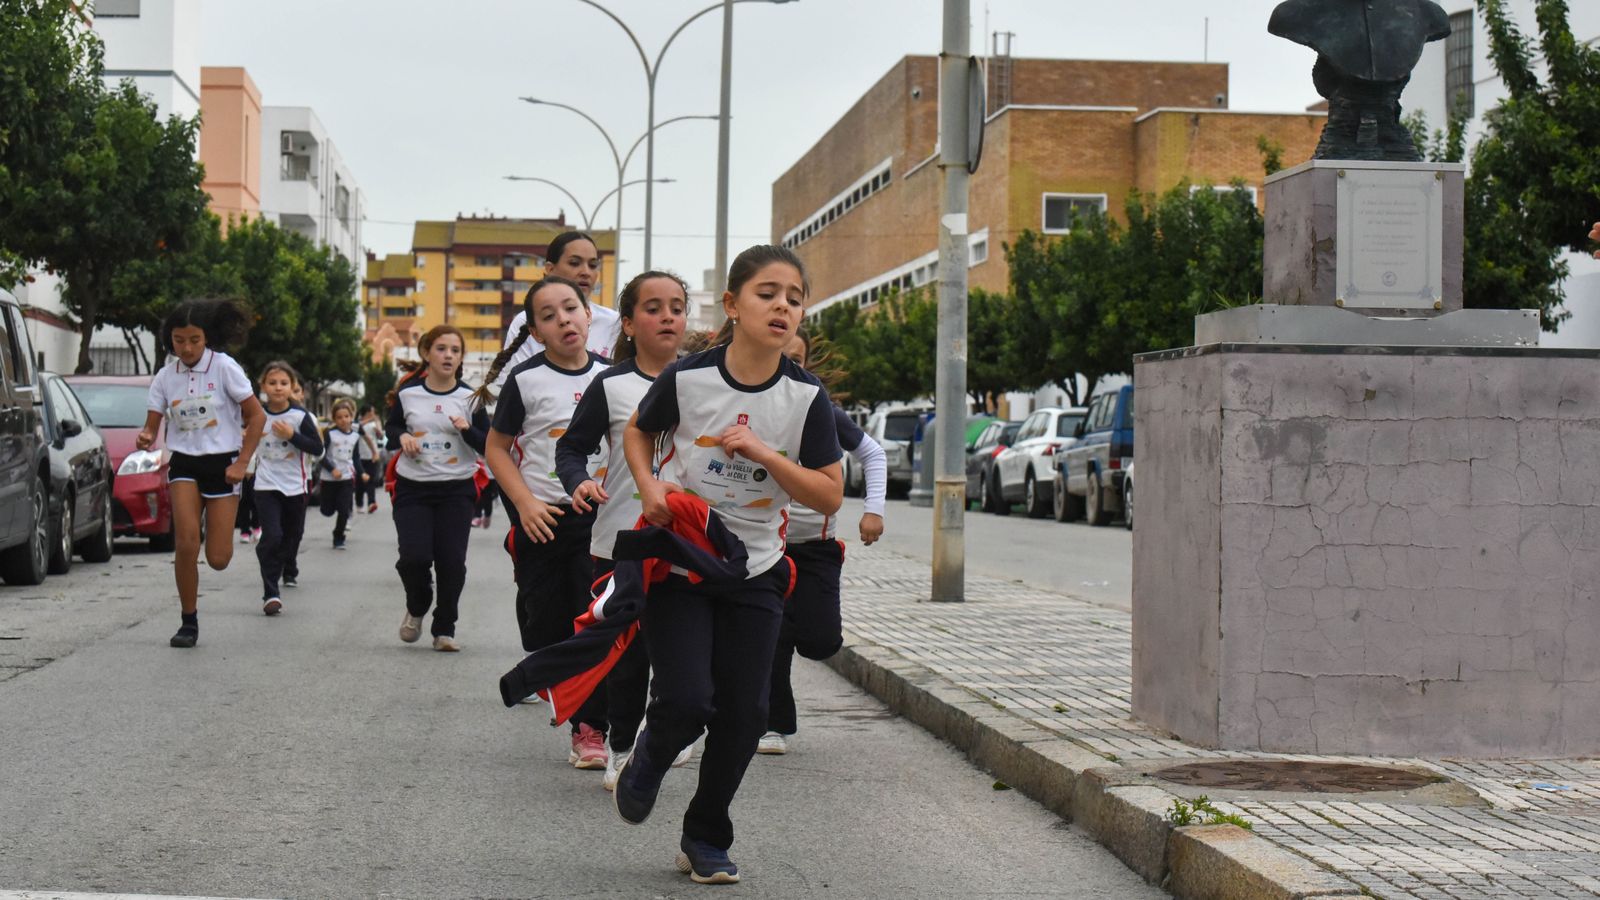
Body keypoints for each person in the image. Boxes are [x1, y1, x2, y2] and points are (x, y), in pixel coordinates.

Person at [614, 245, 842, 885]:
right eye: (768, 293)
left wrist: (768, 456)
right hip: (685, 561)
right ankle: (651, 755)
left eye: (795, 298)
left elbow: (827, 493)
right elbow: (638, 432)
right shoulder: (688, 378)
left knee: (745, 713)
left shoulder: (805, 398)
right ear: (734, 305)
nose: (783, 306)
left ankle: (705, 835)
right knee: (687, 698)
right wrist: (650, 488)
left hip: (757, 572)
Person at [555, 270, 693, 790]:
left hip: (687, 544)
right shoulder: (611, 384)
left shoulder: (706, 379)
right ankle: (621, 748)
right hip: (619, 541)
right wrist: (579, 484)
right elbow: (570, 448)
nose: (667, 317)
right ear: (629, 324)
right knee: (628, 655)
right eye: (653, 308)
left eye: (676, 307)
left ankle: (664, 733)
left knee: (679, 657)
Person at [480, 275, 612, 768]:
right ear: (536, 331)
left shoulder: (612, 377)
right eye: (550, 315)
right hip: (543, 519)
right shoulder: (527, 380)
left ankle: (590, 727)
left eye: (571, 309)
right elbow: (497, 448)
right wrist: (526, 504)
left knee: (591, 618)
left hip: (597, 519)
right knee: (543, 628)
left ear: (588, 315)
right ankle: (546, 671)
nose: (564, 320)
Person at [758, 331, 887, 756]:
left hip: (816, 547)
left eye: (798, 360)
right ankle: (771, 724)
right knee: (771, 636)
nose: (790, 368)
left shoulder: (821, 410)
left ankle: (787, 625)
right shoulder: (748, 406)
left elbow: (873, 454)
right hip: (765, 544)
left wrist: (874, 510)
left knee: (821, 640)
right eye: (781, 358)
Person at [137, 298, 267, 648]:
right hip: (185, 464)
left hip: (223, 466)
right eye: (179, 340)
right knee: (185, 542)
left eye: (194, 339)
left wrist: (241, 463)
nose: (187, 347)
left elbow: (257, 417)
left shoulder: (225, 367)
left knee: (219, 559)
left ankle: (216, 527)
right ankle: (188, 621)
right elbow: (152, 425)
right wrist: (147, 435)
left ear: (206, 337)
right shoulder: (166, 376)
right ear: (171, 340)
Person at [387, 325, 490, 652]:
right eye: (442, 348)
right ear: (427, 353)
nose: (448, 355)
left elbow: (489, 444)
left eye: (455, 350)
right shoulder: (408, 393)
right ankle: (418, 605)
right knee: (413, 558)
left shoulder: (470, 399)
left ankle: (444, 628)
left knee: (451, 562)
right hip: (413, 489)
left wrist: (465, 430)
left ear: (461, 358)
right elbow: (392, 427)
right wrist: (402, 437)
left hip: (456, 490)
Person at [252, 361, 323, 614]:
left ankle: (285, 565)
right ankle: (270, 593)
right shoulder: (257, 415)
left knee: (292, 537)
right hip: (266, 484)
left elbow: (318, 448)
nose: (278, 388)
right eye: (272, 383)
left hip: (295, 487)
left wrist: (292, 435)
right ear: (263, 386)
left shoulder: (300, 417)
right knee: (272, 536)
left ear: (293, 387)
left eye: (283, 383)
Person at [497, 232, 622, 375]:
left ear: (588, 315)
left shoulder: (614, 323)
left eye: (593, 265)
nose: (586, 272)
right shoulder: (524, 322)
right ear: (550, 269)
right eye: (574, 263)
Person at [319, 399, 368, 550]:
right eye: (339, 417)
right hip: (329, 478)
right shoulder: (330, 434)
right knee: (327, 511)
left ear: (351, 417)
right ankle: (329, 507)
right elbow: (321, 455)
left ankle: (339, 537)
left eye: (346, 416)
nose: (343, 420)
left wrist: (362, 473)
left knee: (344, 508)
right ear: (335, 419)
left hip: (346, 478)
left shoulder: (355, 436)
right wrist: (332, 469)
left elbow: (356, 457)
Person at [356, 405, 383, 513]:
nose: (373, 413)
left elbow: (381, 436)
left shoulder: (375, 423)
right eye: (372, 411)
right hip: (359, 456)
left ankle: (371, 503)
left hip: (372, 455)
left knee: (371, 480)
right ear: (367, 412)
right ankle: (359, 503)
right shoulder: (357, 422)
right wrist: (369, 420)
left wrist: (377, 425)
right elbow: (356, 426)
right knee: (360, 481)